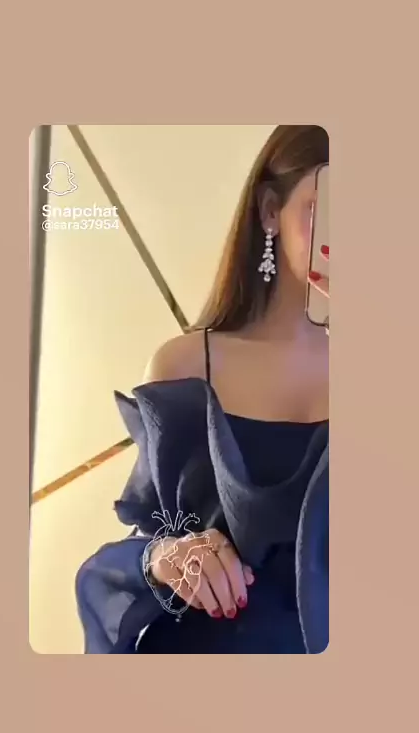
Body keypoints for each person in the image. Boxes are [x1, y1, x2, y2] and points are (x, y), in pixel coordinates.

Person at [76, 124, 330, 654]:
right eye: (327, 208)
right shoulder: (185, 365)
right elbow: (152, 535)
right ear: (269, 210)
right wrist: (168, 557)